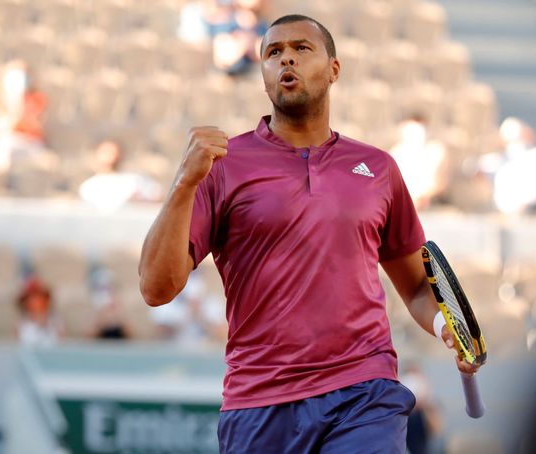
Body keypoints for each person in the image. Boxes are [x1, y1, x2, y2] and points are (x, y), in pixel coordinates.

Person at [138, 14, 480, 453]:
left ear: (333, 69)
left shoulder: (378, 168)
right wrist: (183, 181)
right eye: (273, 52)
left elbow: (415, 285)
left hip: (363, 394)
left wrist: (441, 322)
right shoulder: (220, 165)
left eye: (302, 48)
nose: (287, 59)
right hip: (259, 403)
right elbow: (155, 287)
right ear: (263, 75)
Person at [0, 60, 48, 174]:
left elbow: (36, 126)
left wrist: (19, 103)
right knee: (3, 150)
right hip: (8, 142)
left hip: (31, 143)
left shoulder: (37, 98)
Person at [78, 139, 162, 211]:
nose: (111, 156)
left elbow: (157, 198)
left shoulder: (135, 181)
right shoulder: (89, 186)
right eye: (106, 152)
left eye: (113, 152)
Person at [389, 114, 449, 210]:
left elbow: (442, 182)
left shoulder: (436, 150)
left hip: (431, 205)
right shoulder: (396, 152)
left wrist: (424, 197)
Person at [16, 277, 62, 347]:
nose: (35, 302)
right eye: (31, 298)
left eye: (38, 297)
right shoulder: (22, 323)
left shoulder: (55, 320)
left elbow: (61, 342)